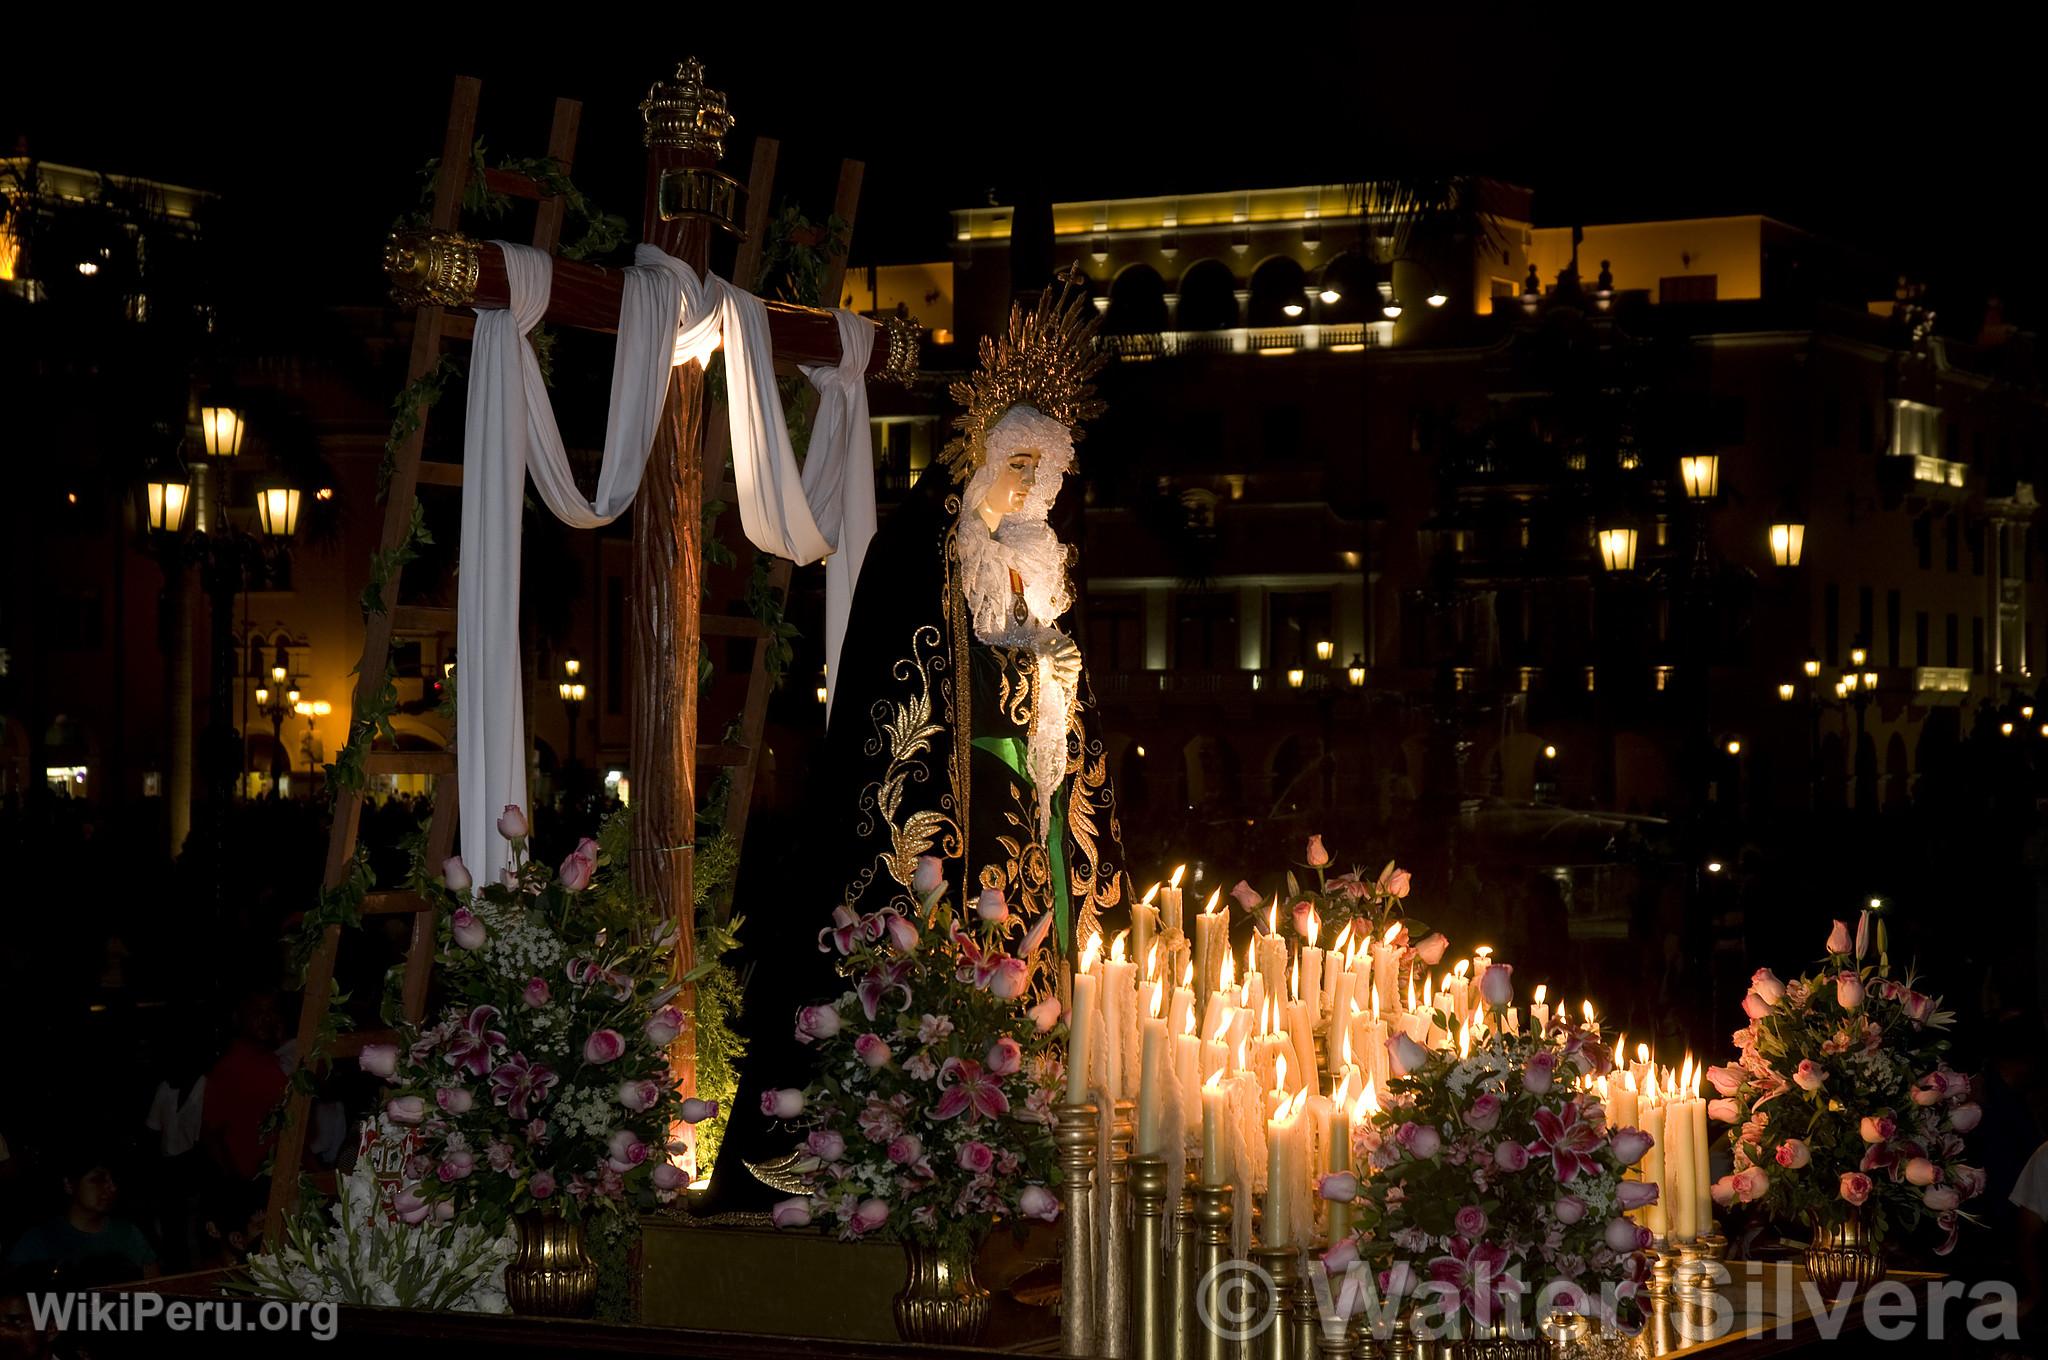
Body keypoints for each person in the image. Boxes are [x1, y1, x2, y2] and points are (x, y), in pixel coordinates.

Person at [707, 270, 1133, 1205]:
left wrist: (1058, 704)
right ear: (980, 452)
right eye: (1018, 464)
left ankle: (1022, 1141)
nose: (1030, 486)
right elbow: (901, 685)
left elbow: (1062, 708)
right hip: (945, 805)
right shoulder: (918, 554)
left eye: (1044, 471)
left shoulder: (1040, 567)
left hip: (1025, 816)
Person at [3, 1150, 158, 1284]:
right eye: (98, 1180)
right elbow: (12, 1296)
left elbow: (155, 1291)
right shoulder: (39, 1240)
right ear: (69, 1184)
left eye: (113, 1180)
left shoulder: (128, 1235)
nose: (112, 1188)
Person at [198, 989, 287, 1188]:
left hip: (280, 1178)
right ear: (239, 1018)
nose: (266, 1019)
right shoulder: (230, 1068)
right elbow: (211, 1134)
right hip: (252, 1183)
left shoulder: (277, 1060)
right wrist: (237, 1184)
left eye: (271, 1011)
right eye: (258, 1012)